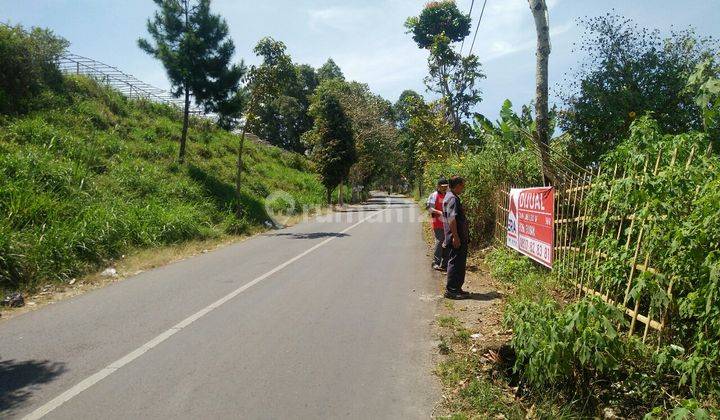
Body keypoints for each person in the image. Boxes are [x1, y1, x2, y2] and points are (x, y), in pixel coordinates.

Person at [443, 176, 471, 299]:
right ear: (457, 185)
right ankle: (451, 290)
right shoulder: (452, 199)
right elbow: (451, 218)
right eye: (462, 186)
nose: (463, 188)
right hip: (456, 236)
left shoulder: (451, 197)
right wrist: (456, 237)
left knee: (459, 263)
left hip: (458, 235)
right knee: (455, 263)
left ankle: (457, 288)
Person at [425, 177, 449, 271]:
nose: (444, 188)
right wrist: (439, 212)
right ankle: (436, 262)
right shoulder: (434, 195)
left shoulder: (448, 195)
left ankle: (445, 263)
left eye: (446, 186)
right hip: (438, 223)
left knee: (447, 242)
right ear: (438, 186)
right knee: (439, 242)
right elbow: (429, 208)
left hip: (448, 223)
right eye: (442, 186)